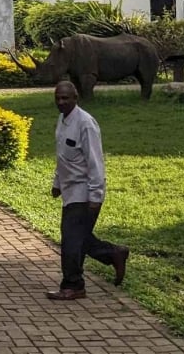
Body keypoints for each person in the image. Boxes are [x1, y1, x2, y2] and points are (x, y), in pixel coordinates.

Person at [47, 79, 128, 300]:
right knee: (79, 237)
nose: (61, 102)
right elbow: (62, 157)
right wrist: (57, 184)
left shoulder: (86, 124)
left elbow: (95, 162)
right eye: (58, 98)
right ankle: (114, 253)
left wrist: (95, 196)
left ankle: (73, 285)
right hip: (69, 189)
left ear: (76, 98)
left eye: (65, 98)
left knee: (72, 239)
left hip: (84, 191)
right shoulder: (62, 120)